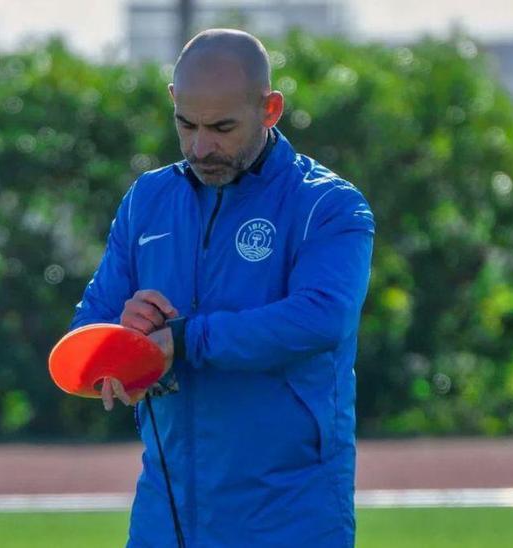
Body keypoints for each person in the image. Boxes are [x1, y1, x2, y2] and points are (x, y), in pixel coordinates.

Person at [71, 28, 374, 547]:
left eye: (222, 127)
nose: (200, 146)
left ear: (271, 109)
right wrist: (125, 339)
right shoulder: (148, 199)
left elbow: (322, 317)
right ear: (172, 102)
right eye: (185, 124)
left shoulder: (329, 206)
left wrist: (186, 340)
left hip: (291, 520)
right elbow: (86, 334)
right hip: (163, 522)